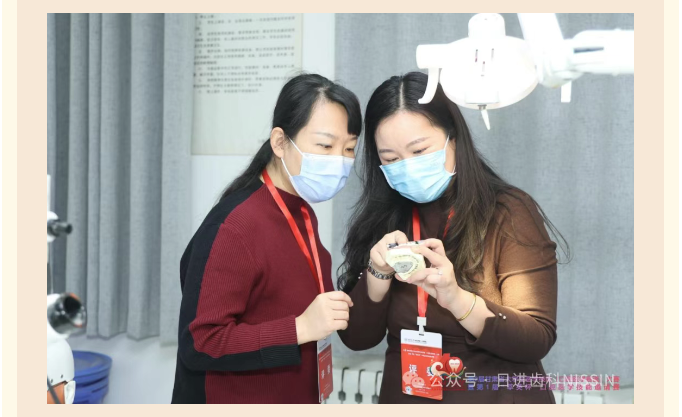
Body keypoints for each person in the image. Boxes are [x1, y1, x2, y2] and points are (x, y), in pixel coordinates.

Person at [337, 72, 568, 404]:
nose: (408, 168)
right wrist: (378, 273)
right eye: (391, 159)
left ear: (454, 137)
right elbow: (358, 339)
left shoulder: (507, 211)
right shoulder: (384, 217)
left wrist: (456, 298)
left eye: (420, 150)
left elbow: (536, 338)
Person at [172, 74, 361, 404]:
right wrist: (300, 328)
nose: (338, 161)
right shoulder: (235, 226)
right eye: (325, 146)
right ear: (280, 142)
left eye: (349, 149)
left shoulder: (302, 210)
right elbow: (201, 342)